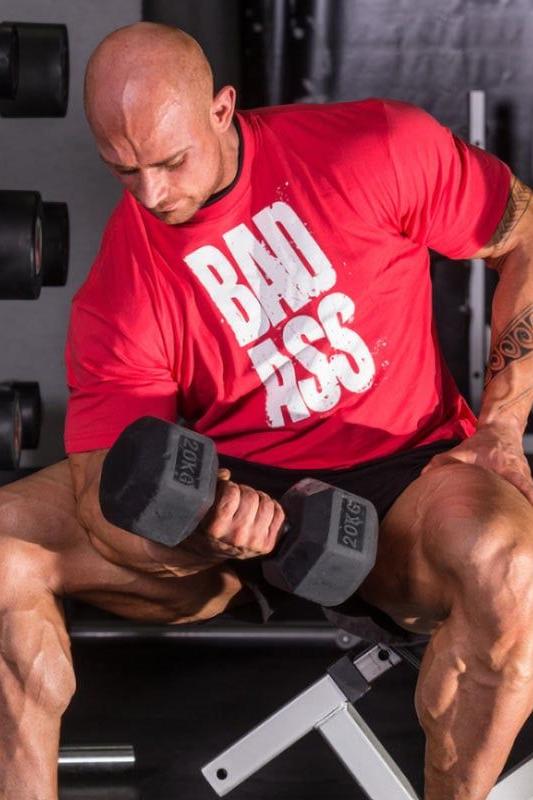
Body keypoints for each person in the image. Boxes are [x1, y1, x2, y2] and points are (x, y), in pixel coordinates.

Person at [0, 20, 532, 800]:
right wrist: (203, 525)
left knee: (513, 569)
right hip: (222, 494)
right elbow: (101, 494)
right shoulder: (121, 292)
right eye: (126, 171)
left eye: (170, 160)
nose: (154, 194)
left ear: (222, 109)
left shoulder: (373, 149)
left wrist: (501, 424)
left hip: (406, 479)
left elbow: (522, 234)